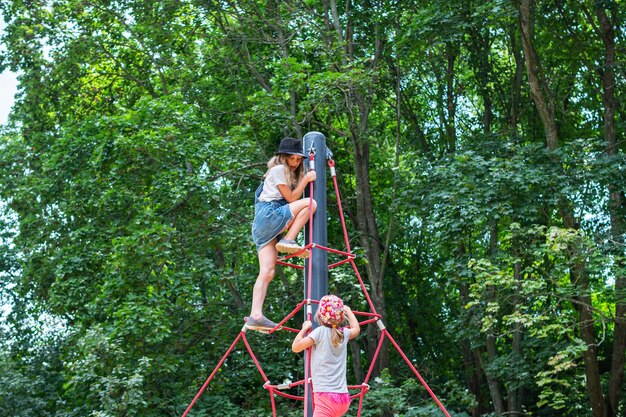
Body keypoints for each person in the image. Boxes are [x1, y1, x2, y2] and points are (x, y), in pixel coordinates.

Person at [245, 137, 318, 332]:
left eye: (298, 159)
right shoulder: (277, 171)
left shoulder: (283, 173)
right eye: (292, 158)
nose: (296, 162)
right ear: (283, 157)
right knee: (311, 203)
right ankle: (289, 239)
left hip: (263, 226)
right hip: (268, 215)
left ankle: (256, 315)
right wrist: (306, 179)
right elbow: (292, 198)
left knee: (267, 271)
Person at [292, 295, 360, 417]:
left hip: (326, 398)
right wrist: (349, 311)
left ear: (319, 316)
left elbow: (296, 347)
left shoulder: (319, 332)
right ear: (341, 317)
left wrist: (304, 328)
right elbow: (356, 329)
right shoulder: (344, 333)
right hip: (343, 397)